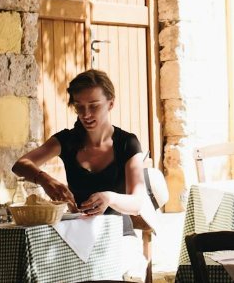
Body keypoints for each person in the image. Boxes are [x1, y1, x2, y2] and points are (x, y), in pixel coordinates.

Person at [11, 69, 148, 218]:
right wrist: (45, 180)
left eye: (94, 106)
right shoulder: (66, 140)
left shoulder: (127, 143)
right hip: (78, 229)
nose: (86, 114)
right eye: (79, 107)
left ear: (111, 104)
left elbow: (137, 204)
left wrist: (110, 198)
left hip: (118, 230)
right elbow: (20, 165)